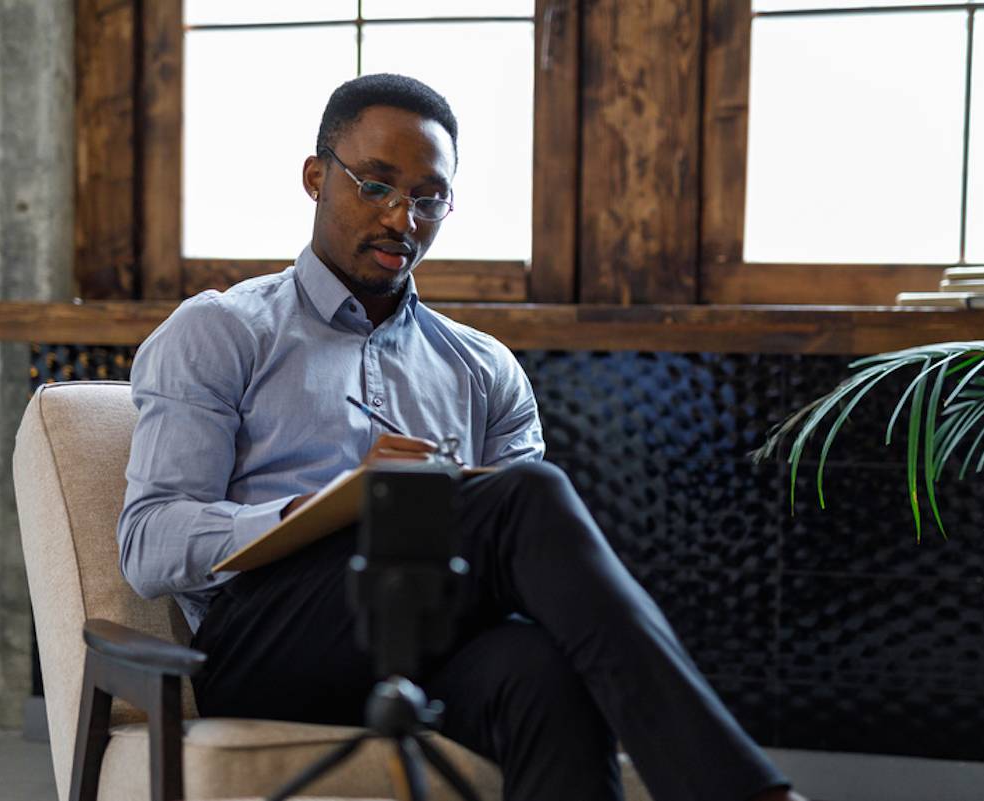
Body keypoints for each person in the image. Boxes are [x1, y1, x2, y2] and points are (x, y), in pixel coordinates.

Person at [118, 73, 806, 801]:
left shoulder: (483, 367)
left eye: (427, 198)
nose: (400, 220)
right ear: (317, 178)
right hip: (266, 644)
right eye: (375, 186)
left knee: (538, 665)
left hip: (425, 636)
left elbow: (527, 569)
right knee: (525, 497)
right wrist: (318, 510)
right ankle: (741, 794)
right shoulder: (223, 331)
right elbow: (150, 542)